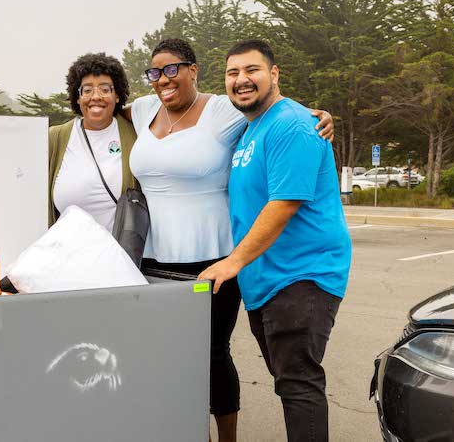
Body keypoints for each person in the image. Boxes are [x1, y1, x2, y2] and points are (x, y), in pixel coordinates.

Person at [123, 38, 334, 442]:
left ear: (193, 70)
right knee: (170, 358)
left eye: (173, 69)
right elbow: (110, 108)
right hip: (154, 258)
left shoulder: (224, 110)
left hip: (218, 258)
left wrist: (318, 115)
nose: (163, 78)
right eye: (155, 71)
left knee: (216, 355)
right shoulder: (145, 108)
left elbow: (277, 113)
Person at [199, 39, 351, 442]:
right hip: (266, 278)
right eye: (233, 73)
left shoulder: (293, 124)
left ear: (274, 74)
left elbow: (284, 203)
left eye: (252, 70)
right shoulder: (251, 129)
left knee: (298, 383)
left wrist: (233, 261)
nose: (241, 80)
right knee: (288, 380)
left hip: (302, 274)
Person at [48, 52, 136, 231]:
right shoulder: (55, 138)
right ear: (77, 97)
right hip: (66, 254)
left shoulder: (135, 133)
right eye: (87, 90)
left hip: (120, 255)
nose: (96, 96)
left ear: (117, 95)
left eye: (105, 89)